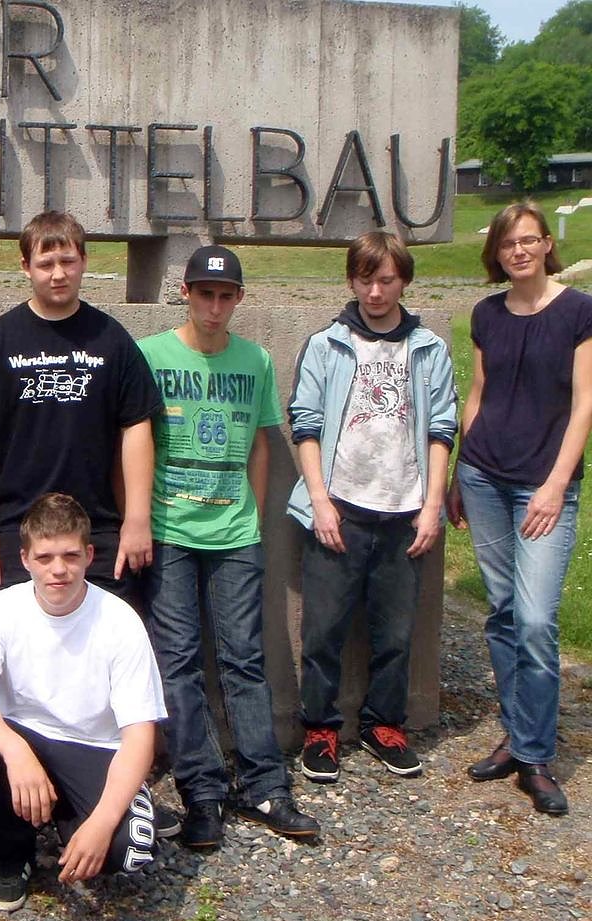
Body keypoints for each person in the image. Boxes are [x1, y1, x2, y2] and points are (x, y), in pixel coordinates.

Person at [138, 245, 319, 849]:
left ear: (238, 299)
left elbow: (262, 443)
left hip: (235, 531)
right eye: (204, 294)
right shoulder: (152, 356)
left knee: (244, 659)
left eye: (225, 296)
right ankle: (202, 791)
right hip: (170, 529)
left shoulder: (256, 359)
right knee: (179, 663)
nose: (214, 307)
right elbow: (135, 440)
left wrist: (254, 517)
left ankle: (265, 785)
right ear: (185, 293)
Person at [287, 232, 457, 783]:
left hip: (404, 511)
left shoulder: (429, 349)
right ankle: (320, 728)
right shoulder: (326, 344)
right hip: (339, 509)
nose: (376, 292)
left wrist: (432, 505)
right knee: (323, 632)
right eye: (365, 280)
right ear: (351, 281)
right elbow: (305, 424)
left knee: (396, 634)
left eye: (386, 280)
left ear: (403, 280)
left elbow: (441, 430)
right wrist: (320, 501)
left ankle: (385, 725)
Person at [0, 493, 170, 913]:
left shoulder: (120, 620)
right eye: (45, 557)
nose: (58, 569)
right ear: (25, 559)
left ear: (89, 555)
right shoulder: (2, 608)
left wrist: (102, 823)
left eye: (70, 555)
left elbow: (140, 736)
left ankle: (83, 814)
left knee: (126, 853)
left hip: (94, 748)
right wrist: (15, 752)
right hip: (26, 736)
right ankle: (12, 856)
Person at [447, 202, 592, 817]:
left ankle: (535, 755)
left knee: (535, 620)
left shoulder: (579, 311)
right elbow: (478, 393)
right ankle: (518, 735)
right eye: (509, 243)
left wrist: (556, 484)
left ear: (547, 245)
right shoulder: (487, 313)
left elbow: (585, 403)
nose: (520, 251)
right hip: (484, 475)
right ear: (497, 253)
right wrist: (459, 470)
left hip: (543, 484)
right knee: (504, 613)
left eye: (529, 240)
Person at [0, 211, 159, 601]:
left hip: (97, 530)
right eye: (45, 264)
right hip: (16, 530)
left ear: (84, 261)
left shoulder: (112, 339)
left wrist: (137, 520)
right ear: (25, 266)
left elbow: (136, 428)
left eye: (67, 261)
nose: (58, 274)